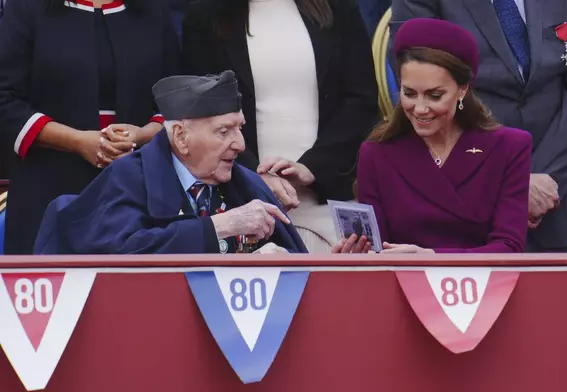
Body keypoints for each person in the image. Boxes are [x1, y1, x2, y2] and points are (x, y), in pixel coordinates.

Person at [389, 0, 567, 252]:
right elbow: (425, 99)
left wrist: (547, 179)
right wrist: (514, 183)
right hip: (469, 208)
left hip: (556, 201)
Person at [34, 71, 307, 255]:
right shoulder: (129, 177)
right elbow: (122, 254)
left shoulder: (247, 184)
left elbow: (300, 267)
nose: (240, 145)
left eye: (240, 129)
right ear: (180, 137)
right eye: (224, 132)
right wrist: (220, 226)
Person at [181, 0, 379, 253]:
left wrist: (311, 167)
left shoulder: (338, 7)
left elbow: (361, 101)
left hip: (328, 199)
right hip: (240, 205)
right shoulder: (206, 14)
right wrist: (255, 177)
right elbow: (203, 113)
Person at [333, 18, 531, 254]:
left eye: (434, 95)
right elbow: (378, 251)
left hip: (484, 286)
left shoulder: (509, 147)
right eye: (409, 93)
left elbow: (509, 247)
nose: (420, 108)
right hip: (401, 285)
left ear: (462, 90)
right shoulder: (377, 154)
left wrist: (432, 259)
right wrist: (355, 255)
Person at [0, 0, 180, 254]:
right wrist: (77, 141)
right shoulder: (27, 7)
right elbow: (5, 100)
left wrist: (142, 135)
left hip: (137, 190)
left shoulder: (152, 10)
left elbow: (177, 99)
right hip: (45, 187)